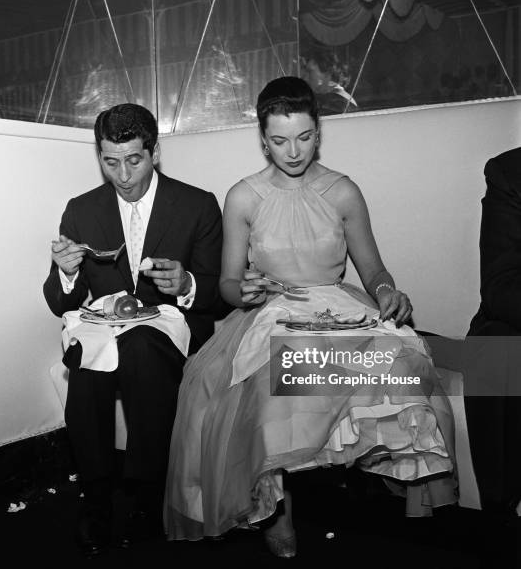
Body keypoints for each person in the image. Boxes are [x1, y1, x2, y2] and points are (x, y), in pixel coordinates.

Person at [164, 77, 457, 557]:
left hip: (339, 307)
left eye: (303, 137)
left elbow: (375, 270)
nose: (293, 150)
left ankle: (380, 471)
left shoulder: (342, 192)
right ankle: (279, 509)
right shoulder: (243, 197)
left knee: (401, 364)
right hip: (272, 310)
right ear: (263, 140)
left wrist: (388, 291)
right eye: (279, 141)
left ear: (317, 132)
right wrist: (245, 289)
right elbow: (228, 284)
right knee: (275, 377)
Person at [43, 103, 223, 557]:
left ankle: (147, 494)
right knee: (86, 353)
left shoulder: (196, 205)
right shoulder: (81, 210)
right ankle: (97, 496)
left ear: (155, 152)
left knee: (140, 345)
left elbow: (218, 296)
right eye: (110, 161)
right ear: (99, 156)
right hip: (107, 329)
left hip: (172, 328)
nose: (122, 174)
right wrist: (65, 273)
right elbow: (61, 302)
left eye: (134, 159)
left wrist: (186, 284)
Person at [467, 147, 521, 517]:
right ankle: (500, 514)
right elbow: (501, 286)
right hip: (514, 320)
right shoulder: (510, 173)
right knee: (492, 347)